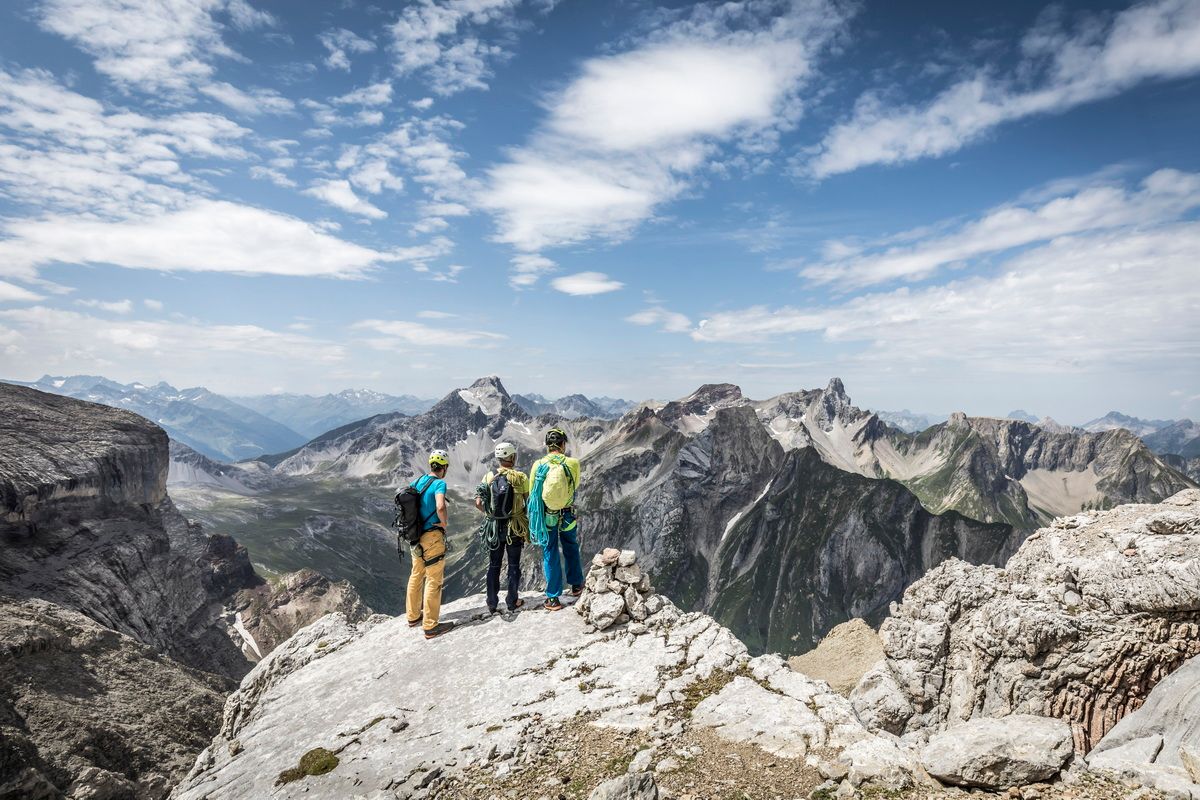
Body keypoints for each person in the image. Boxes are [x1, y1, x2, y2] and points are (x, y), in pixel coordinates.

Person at [528, 427, 583, 611]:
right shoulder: (573, 463)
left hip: (547, 516)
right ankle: (576, 585)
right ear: (563, 444)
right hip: (567, 515)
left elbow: (532, 491)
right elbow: (575, 484)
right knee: (571, 547)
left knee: (550, 552)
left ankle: (553, 598)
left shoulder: (538, 465)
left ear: (547, 445)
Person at [475, 442, 529, 614]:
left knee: (494, 565)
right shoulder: (520, 477)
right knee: (513, 565)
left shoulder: (488, 476)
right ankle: (512, 601)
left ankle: (492, 602)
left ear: (498, 458)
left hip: (494, 527)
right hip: (514, 527)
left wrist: (491, 513)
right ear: (512, 457)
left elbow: (478, 502)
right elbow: (528, 501)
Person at [406, 449, 455, 639]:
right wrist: (443, 523)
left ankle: (413, 616)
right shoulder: (439, 483)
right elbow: (440, 506)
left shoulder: (416, 482)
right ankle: (430, 626)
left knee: (416, 574)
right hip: (432, 536)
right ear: (444, 467)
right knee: (434, 580)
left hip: (415, 536)